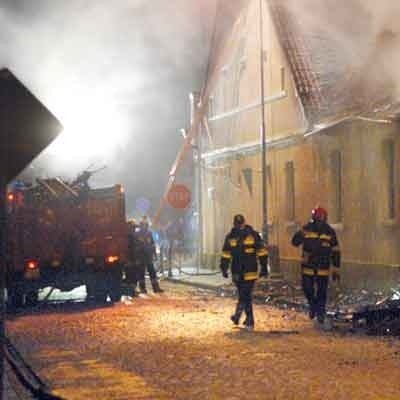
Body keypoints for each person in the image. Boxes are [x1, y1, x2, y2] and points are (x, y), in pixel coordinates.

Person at [291, 206, 341, 324]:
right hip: (308, 266)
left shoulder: (329, 231)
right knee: (307, 289)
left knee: (322, 292)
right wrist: (300, 233)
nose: (319, 221)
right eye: (317, 219)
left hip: (323, 267)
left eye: (320, 219)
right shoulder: (307, 229)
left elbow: (335, 250)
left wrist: (336, 267)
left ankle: (320, 313)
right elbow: (294, 242)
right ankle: (313, 305)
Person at [220, 214, 269, 331]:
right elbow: (226, 254)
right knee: (245, 295)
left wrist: (263, 267)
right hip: (238, 271)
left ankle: (244, 318)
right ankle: (246, 319)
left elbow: (262, 251)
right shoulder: (232, 237)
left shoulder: (252, 235)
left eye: (240, 224)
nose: (239, 226)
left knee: (244, 295)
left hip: (248, 271)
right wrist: (224, 267)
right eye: (238, 225)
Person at [135, 216, 164, 293]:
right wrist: (136, 257)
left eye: (146, 224)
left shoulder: (149, 233)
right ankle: (142, 289)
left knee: (152, 272)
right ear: (141, 225)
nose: (145, 226)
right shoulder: (137, 234)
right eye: (143, 224)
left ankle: (156, 288)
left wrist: (154, 254)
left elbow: (152, 244)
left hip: (148, 256)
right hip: (141, 256)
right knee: (141, 273)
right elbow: (135, 246)